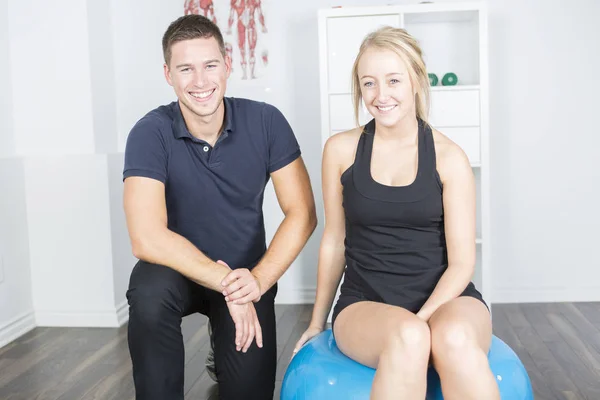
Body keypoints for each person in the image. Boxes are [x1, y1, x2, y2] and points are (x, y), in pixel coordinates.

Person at [293, 26, 500, 399]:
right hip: (365, 302)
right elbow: (334, 241)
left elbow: (461, 264)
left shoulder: (450, 158)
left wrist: (423, 322)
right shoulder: (339, 150)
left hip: (447, 301)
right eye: (369, 83)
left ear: (416, 81)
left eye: (393, 80)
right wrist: (315, 322)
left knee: (449, 338)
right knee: (407, 337)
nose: (381, 95)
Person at [123, 14, 317, 400]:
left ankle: (224, 339)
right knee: (147, 292)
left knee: (250, 391)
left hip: (246, 276)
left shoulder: (266, 121)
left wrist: (257, 282)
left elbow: (303, 213)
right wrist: (223, 280)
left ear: (227, 66)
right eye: (186, 69)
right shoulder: (150, 132)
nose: (200, 81)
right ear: (168, 74)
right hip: (178, 275)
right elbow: (146, 237)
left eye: (210, 65)